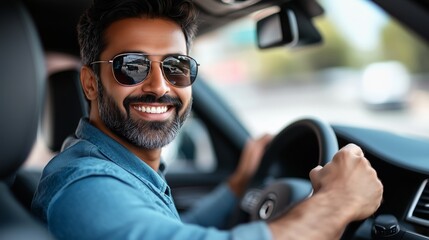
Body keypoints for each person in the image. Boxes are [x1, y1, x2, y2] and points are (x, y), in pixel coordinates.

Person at [31, 0, 383, 239]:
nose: (159, 86)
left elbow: (172, 229)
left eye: (176, 67)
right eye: (132, 66)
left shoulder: (123, 169)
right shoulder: (83, 183)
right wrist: (338, 202)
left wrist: (238, 184)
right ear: (91, 83)